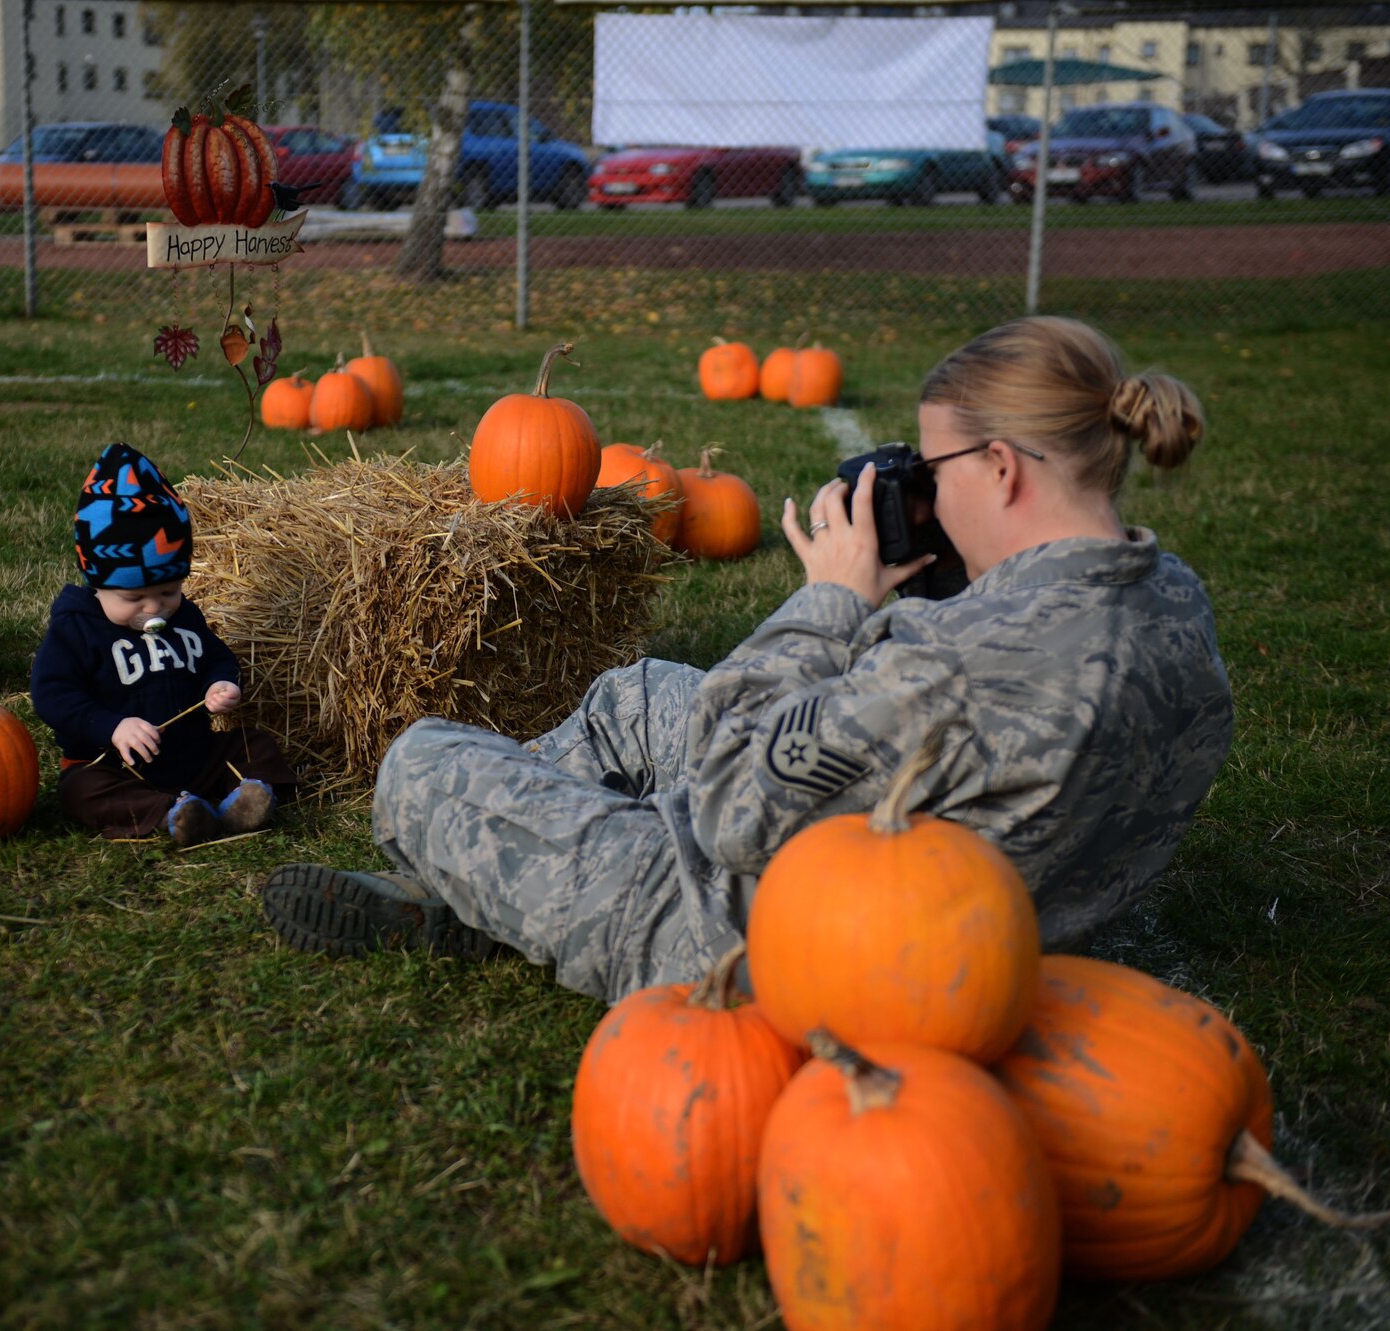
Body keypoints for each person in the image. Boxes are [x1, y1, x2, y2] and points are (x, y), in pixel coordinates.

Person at [260, 317, 1233, 1002]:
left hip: (754, 942)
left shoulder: (946, 662)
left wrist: (832, 598)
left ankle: (485, 884)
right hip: (964, 912)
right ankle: (512, 865)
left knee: (423, 760)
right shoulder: (1173, 599)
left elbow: (729, 803)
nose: (925, 497)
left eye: (932, 471)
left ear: (1001, 468)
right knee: (633, 695)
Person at [32, 443, 296, 847]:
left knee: (254, 744)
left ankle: (247, 797)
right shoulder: (77, 629)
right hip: (116, 766)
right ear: (97, 584)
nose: (155, 608)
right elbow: (51, 695)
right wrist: (111, 726)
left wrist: (219, 683)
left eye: (169, 592)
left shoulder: (184, 616)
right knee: (79, 790)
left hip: (194, 754)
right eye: (134, 599)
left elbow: (215, 656)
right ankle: (173, 813)